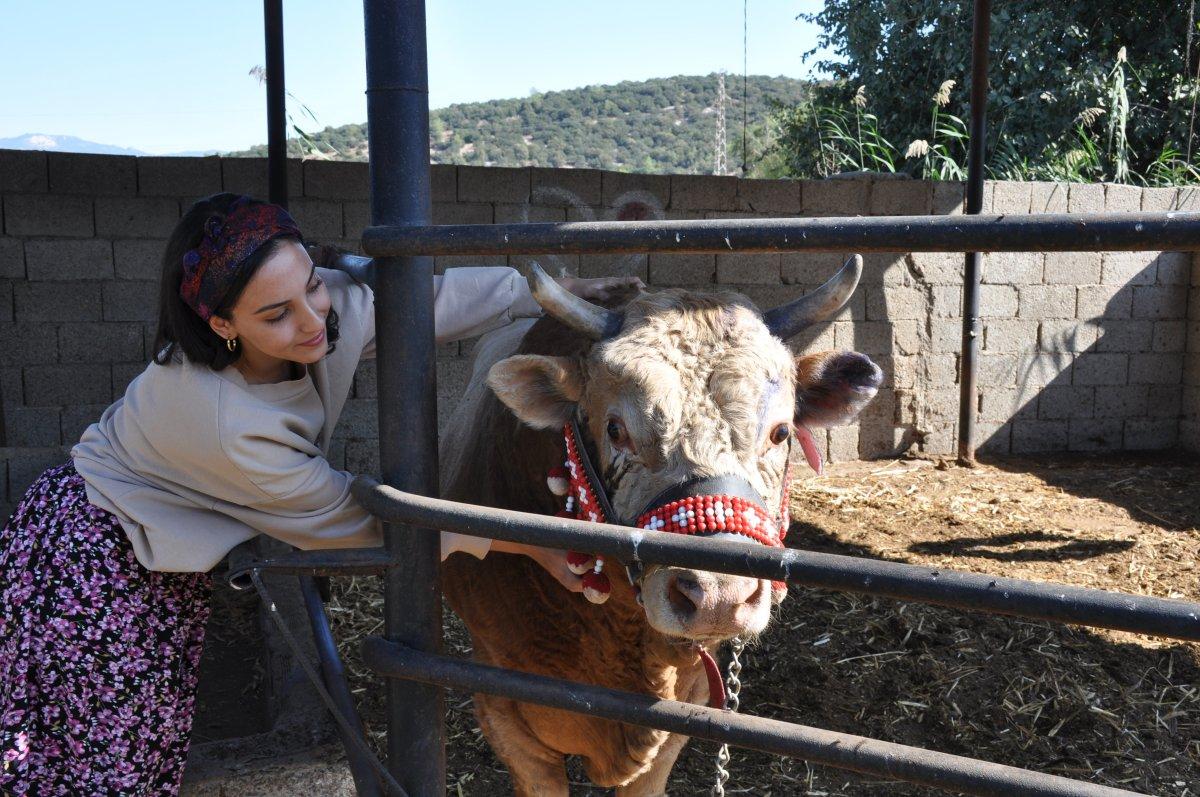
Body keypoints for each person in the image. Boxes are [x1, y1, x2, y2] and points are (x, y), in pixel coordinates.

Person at [0, 192, 641, 795]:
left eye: (311, 285)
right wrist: (531, 543)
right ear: (222, 323)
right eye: (276, 314)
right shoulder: (226, 427)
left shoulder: (311, 313)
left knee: (148, 730)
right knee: (101, 754)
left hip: (157, 551)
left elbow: (419, 302)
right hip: (97, 562)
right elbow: (363, 521)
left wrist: (549, 297)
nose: (313, 320)